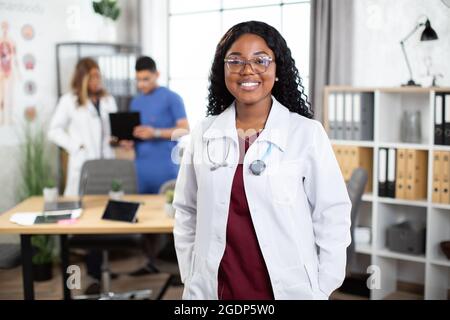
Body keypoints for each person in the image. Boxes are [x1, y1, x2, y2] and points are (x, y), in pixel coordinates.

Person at [173, 21, 351, 300]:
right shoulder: (204, 133)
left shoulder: (305, 133)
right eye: (235, 60)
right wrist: (191, 273)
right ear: (224, 70)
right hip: (215, 288)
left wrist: (323, 284)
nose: (247, 70)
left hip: (286, 288)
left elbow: (332, 213)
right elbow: (186, 211)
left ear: (277, 69)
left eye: (261, 60)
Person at [48, 57, 118, 293]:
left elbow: (111, 132)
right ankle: (93, 274)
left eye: (99, 75)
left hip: (106, 166)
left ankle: (103, 271)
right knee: (87, 219)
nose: (98, 80)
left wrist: (118, 139)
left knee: (106, 217)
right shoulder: (69, 101)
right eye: (93, 76)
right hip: (84, 167)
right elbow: (54, 130)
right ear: (83, 78)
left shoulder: (108, 100)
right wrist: (75, 145)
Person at [119, 56, 189, 275]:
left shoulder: (172, 98)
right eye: (138, 80)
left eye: (146, 79)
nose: (142, 84)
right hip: (141, 169)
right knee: (145, 219)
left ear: (156, 75)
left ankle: (179, 271)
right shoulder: (136, 101)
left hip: (166, 169)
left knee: (171, 219)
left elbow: (184, 130)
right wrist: (131, 139)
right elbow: (138, 131)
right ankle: (149, 264)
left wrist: (155, 132)